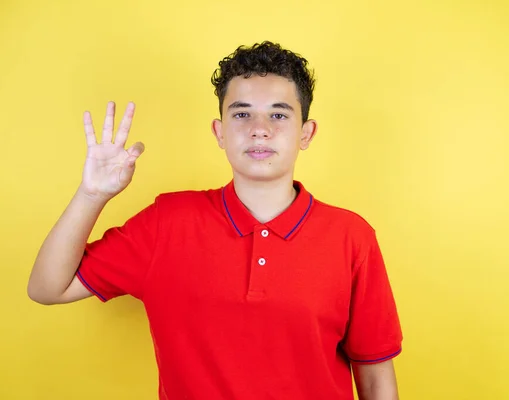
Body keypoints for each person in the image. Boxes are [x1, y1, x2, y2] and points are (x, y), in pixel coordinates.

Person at [27, 41, 403, 400]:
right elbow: (47, 288)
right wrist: (92, 195)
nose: (260, 129)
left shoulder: (352, 237)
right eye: (242, 114)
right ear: (219, 132)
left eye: (278, 114)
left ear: (306, 133)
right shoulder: (165, 223)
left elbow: (375, 377)